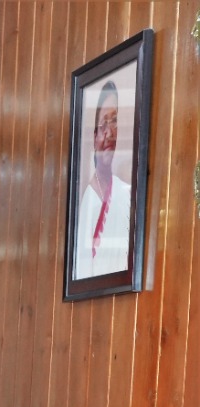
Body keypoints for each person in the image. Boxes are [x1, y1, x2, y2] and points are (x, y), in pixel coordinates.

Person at [73, 80, 131, 279]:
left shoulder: (128, 193)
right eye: (103, 123)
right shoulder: (85, 201)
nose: (109, 132)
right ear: (94, 136)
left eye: (114, 121)